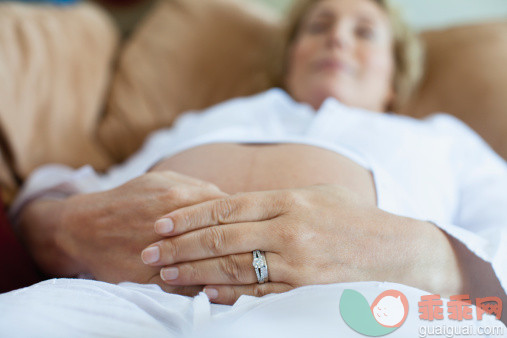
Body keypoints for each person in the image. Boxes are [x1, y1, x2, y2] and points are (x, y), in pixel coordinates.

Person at [7, 0, 506, 326]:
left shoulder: (442, 139)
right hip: (120, 304)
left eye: (364, 32)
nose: (337, 38)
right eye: (319, 25)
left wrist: (418, 256)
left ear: (395, 75)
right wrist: (65, 224)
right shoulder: (202, 121)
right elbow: (65, 195)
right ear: (289, 57)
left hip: (361, 313)